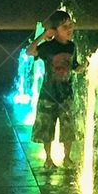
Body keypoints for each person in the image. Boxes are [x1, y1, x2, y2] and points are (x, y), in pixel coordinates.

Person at [26, 9, 84, 169]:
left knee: (68, 128)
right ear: (55, 30)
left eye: (70, 25)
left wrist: (82, 68)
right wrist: (43, 36)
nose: (70, 29)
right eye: (65, 27)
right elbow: (29, 51)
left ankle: (67, 158)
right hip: (48, 94)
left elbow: (73, 65)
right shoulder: (47, 47)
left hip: (66, 94)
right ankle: (48, 159)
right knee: (46, 128)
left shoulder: (72, 46)